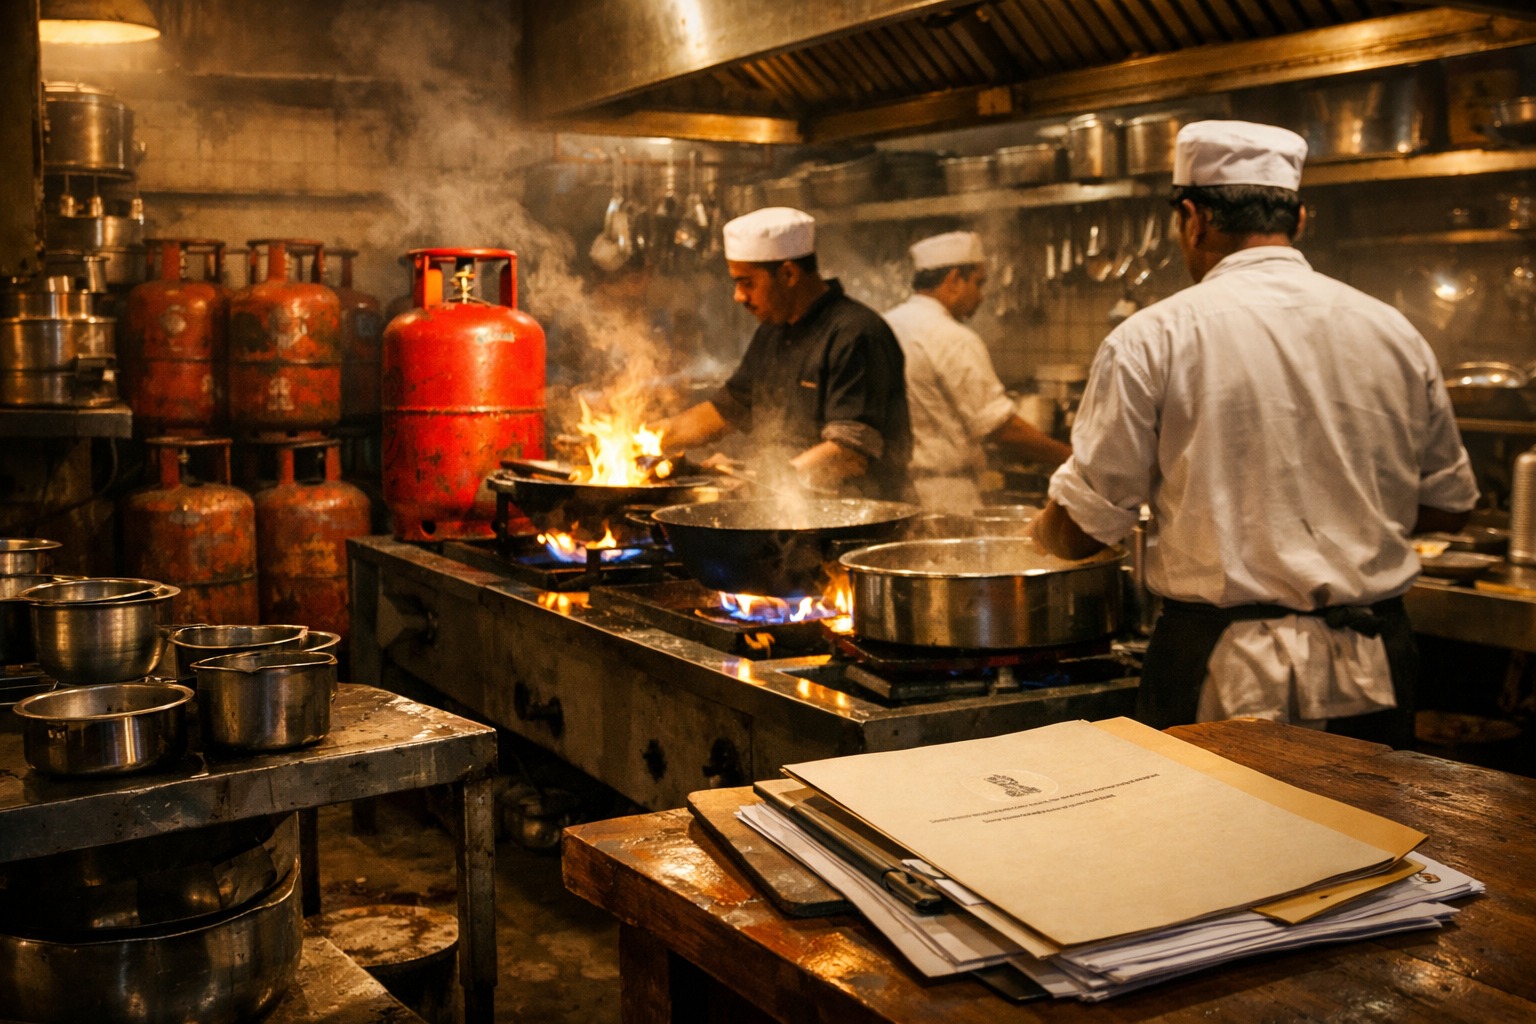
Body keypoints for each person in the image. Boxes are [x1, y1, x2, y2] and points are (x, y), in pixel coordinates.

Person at [1031, 120, 1479, 747]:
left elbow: (1084, 530)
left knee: (1214, 842)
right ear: (1298, 219)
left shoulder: (1152, 337)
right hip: (1372, 665)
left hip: (1223, 672)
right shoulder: (1394, 332)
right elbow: (1448, 509)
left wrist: (1041, 532)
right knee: (1369, 839)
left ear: (1193, 219)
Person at [658, 207, 913, 500]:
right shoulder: (773, 331)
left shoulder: (855, 333)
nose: (738, 296)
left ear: (789, 273)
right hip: (787, 512)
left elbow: (849, 454)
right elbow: (728, 410)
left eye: (747, 283)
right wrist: (639, 441)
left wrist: (758, 480)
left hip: (856, 521)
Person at [883, 230, 1071, 509]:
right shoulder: (951, 337)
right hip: (945, 496)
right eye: (978, 283)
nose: (981, 296)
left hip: (895, 492)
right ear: (954, 279)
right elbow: (1002, 429)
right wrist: (1073, 458)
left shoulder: (884, 323)